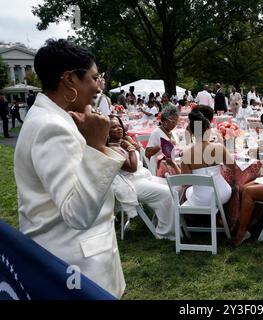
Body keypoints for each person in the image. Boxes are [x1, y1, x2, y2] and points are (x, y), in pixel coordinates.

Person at [14, 39, 126, 298]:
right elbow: (76, 213)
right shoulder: (51, 127)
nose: (99, 87)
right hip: (77, 264)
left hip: (75, 256)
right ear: (69, 80)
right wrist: (97, 146)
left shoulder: (52, 118)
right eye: (94, 78)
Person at [108, 116, 175, 240]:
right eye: (113, 127)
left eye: (119, 125)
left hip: (142, 176)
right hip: (131, 183)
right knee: (167, 193)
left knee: (173, 186)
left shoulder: (122, 142)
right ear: (106, 132)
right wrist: (130, 148)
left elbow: (138, 152)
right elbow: (132, 167)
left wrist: (132, 145)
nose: (119, 128)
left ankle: (167, 221)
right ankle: (165, 233)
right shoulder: (112, 149)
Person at [175, 110, 235, 206]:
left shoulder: (186, 154)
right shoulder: (218, 147)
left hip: (202, 199)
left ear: (192, 131)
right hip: (223, 194)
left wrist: (174, 165)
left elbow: (185, 182)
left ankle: (196, 219)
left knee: (188, 191)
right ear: (208, 129)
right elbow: (233, 167)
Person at [145, 106, 179, 175]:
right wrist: (161, 145)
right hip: (159, 171)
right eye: (173, 122)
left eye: (176, 122)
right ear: (165, 120)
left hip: (171, 168)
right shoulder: (156, 133)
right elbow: (147, 153)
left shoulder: (172, 132)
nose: (175, 125)